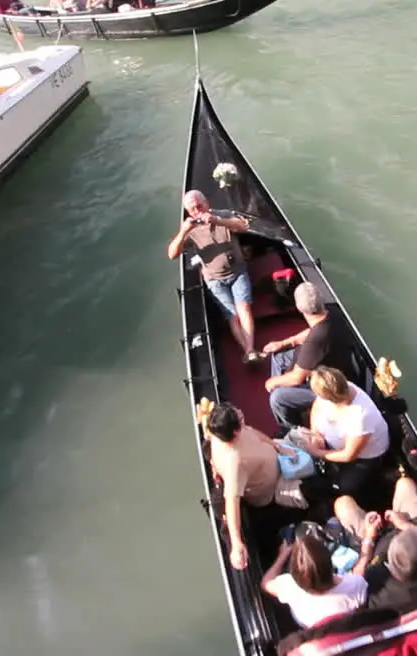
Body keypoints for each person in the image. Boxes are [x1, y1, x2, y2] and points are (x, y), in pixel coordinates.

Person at [335, 476, 417, 609]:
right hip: (408, 526)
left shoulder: (378, 587)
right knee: (405, 484)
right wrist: (404, 525)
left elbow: (357, 577)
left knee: (343, 504)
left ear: (390, 564)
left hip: (371, 548)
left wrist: (369, 538)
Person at [167, 190, 259, 362]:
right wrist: (183, 231)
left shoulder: (222, 215)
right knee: (233, 315)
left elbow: (243, 226)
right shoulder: (190, 230)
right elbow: (172, 254)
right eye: (192, 209)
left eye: (199, 206)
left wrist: (218, 220)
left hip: (237, 271)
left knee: (244, 307)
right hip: (215, 279)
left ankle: (250, 350)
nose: (197, 211)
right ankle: (248, 350)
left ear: (207, 203)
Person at [207, 403, 300, 570]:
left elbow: (252, 432)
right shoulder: (233, 463)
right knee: (313, 489)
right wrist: (236, 543)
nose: (242, 412)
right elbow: (231, 500)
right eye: (239, 417)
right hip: (276, 488)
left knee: (306, 438)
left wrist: (276, 445)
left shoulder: (225, 433)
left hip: (280, 457)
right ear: (235, 432)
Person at [262, 283, 352, 431]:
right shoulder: (332, 312)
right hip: (331, 362)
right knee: (278, 356)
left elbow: (296, 377)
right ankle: (290, 395)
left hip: (329, 386)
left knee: (277, 397)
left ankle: (291, 428)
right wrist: (285, 342)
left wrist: (272, 382)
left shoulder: (315, 342)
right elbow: (312, 330)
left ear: (299, 308)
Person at [296, 366, 390, 496]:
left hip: (362, 458)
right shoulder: (335, 389)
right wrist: (316, 434)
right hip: (329, 445)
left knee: (345, 488)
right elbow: (317, 407)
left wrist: (318, 453)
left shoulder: (361, 416)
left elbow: (348, 455)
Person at [261, 531, 367, 628]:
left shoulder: (289, 587)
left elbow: (265, 583)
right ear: (330, 563)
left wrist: (282, 555)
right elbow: (361, 611)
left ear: (293, 572)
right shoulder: (355, 584)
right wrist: (369, 539)